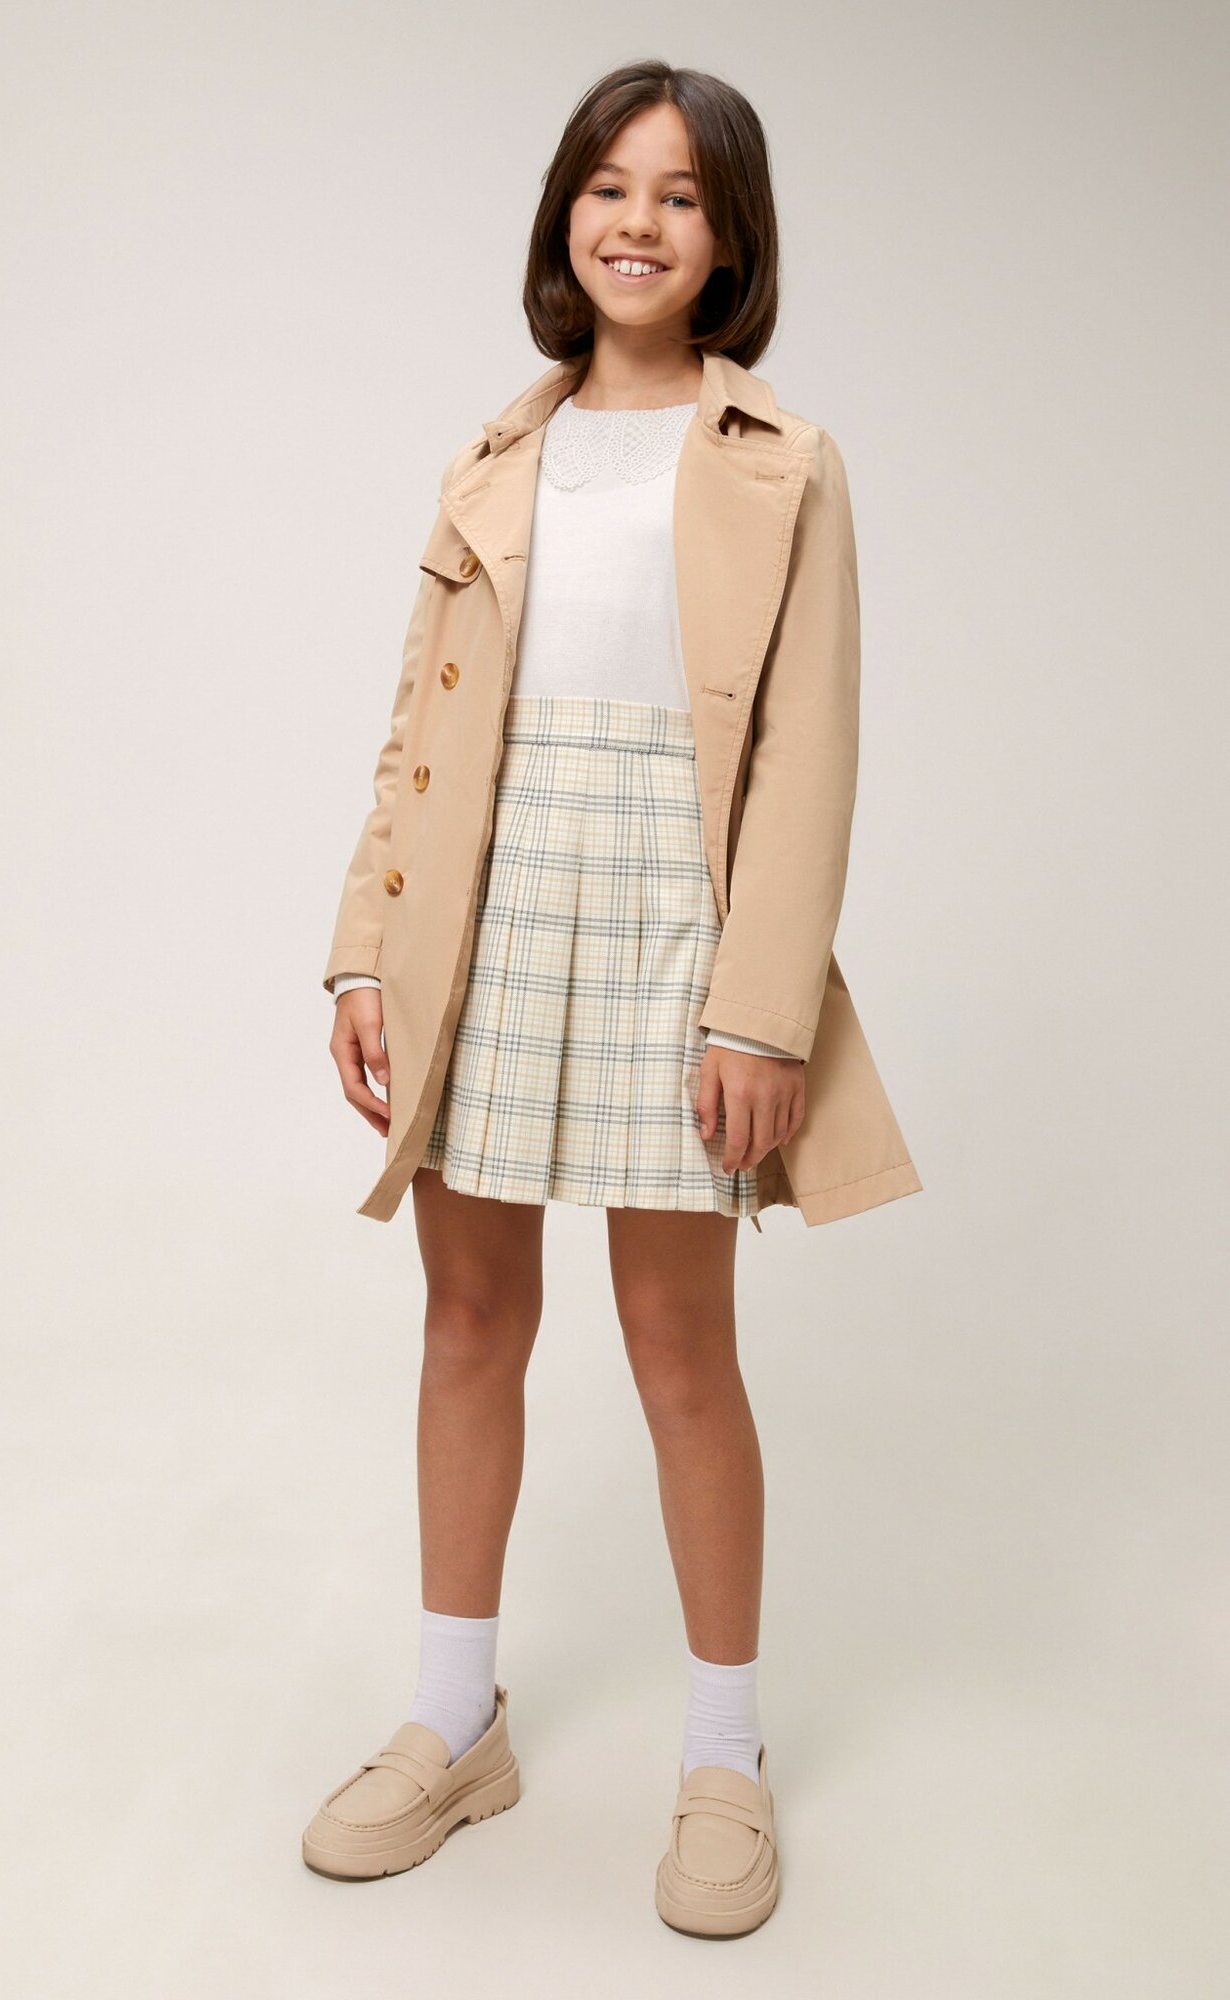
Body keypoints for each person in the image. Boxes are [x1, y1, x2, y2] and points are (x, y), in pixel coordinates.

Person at [302, 60, 921, 1935]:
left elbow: (807, 755)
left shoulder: (784, 460)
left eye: (680, 194)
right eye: (606, 186)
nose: (636, 221)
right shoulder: (494, 457)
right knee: (469, 1316)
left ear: (730, 238)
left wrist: (762, 1014)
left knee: (677, 1347)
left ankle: (725, 1757)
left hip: (677, 918)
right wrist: (362, 942)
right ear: (564, 215)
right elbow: (416, 731)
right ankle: (453, 1723)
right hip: (484, 906)